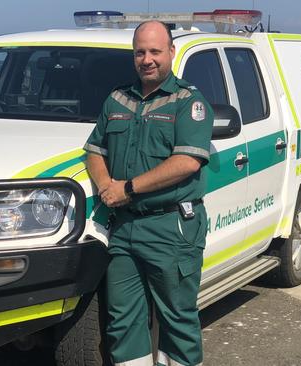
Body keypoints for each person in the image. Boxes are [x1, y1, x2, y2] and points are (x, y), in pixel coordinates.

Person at [84, 20, 213, 366]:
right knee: (122, 322)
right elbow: (95, 149)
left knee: (178, 319)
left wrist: (126, 188)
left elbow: (187, 162)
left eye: (155, 51)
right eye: (140, 52)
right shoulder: (116, 100)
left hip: (171, 227)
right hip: (124, 228)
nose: (147, 59)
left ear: (171, 52)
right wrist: (104, 186)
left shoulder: (188, 102)